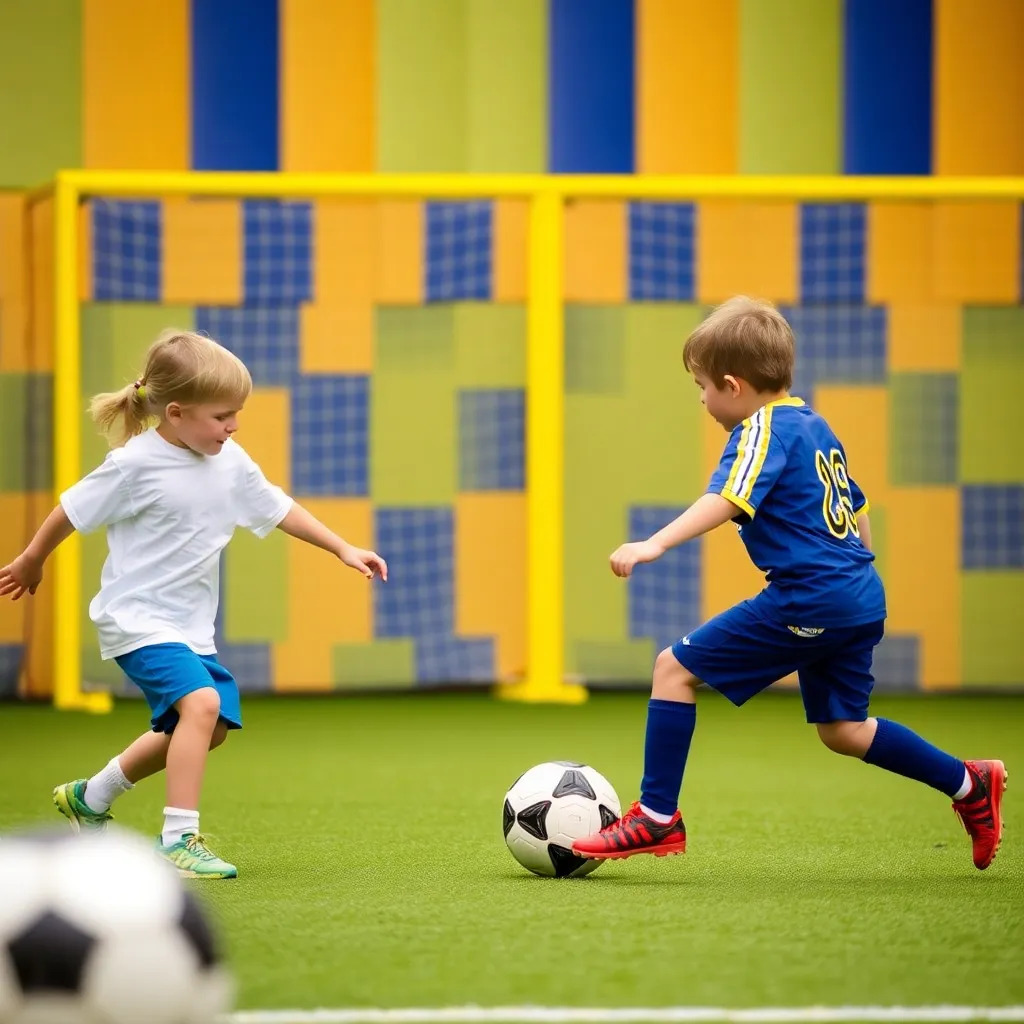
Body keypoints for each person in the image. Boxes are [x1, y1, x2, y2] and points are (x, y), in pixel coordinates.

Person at [571, 297, 1006, 871]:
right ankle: (969, 785)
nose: (701, 398)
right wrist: (857, 569)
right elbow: (858, 506)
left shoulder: (760, 429)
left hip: (812, 596)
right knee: (844, 729)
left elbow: (727, 498)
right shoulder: (813, 423)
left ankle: (655, 818)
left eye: (701, 386)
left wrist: (654, 543)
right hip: (858, 592)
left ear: (733, 385)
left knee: (671, 670)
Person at [0, 330, 387, 879]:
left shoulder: (230, 461)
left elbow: (278, 508)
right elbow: (70, 509)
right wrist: (32, 559)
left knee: (213, 726)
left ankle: (91, 796)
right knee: (201, 706)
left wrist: (343, 547)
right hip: (136, 619)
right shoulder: (134, 465)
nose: (233, 427)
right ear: (176, 413)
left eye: (237, 415)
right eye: (222, 416)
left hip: (190, 628)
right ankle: (179, 839)